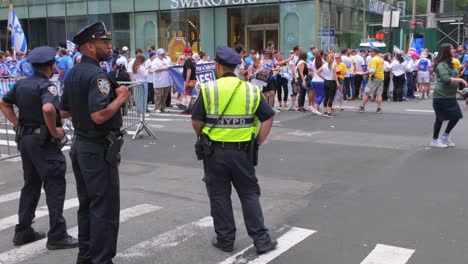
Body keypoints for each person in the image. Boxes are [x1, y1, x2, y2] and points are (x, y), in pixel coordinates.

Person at [191, 45, 277, 255]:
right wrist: (257, 142)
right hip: (243, 153)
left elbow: (196, 120)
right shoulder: (251, 89)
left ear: (217, 66)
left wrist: (203, 136)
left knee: (219, 196)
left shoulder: (209, 89)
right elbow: (268, 116)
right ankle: (262, 240)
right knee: (249, 195)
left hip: (214, 154)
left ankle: (225, 240)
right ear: (237, 67)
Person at [59, 21, 131, 264]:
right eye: (104, 42)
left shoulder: (74, 73)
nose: (109, 46)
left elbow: (64, 111)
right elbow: (99, 115)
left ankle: (86, 256)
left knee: (88, 205)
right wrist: (120, 98)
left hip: (81, 147)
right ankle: (101, 259)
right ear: (90, 46)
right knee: (105, 209)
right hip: (97, 148)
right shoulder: (98, 76)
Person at [0, 46, 78, 249]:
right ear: (51, 66)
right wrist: (54, 131)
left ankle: (23, 230)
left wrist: (17, 123)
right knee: (54, 185)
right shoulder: (47, 86)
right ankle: (57, 235)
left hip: (26, 141)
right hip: (43, 143)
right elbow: (48, 108)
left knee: (31, 185)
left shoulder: (21, 84)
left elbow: (4, 103)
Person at [430, 43, 468, 148]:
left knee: (456, 116)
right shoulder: (441, 65)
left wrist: (458, 91)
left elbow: (451, 77)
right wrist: (461, 80)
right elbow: (445, 79)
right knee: (440, 118)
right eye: (451, 48)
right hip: (441, 96)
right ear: (447, 51)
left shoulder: (450, 63)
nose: (454, 50)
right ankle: (435, 140)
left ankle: (445, 136)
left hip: (450, 96)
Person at [355, 47, 384, 113]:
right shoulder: (381, 59)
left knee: (367, 92)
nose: (370, 53)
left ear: (374, 52)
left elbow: (372, 70)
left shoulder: (374, 59)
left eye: (371, 51)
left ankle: (362, 107)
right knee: (379, 94)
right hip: (381, 78)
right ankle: (379, 108)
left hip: (374, 78)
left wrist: (364, 73)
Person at [152, 48, 172, 112]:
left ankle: (163, 107)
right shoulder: (155, 61)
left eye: (163, 54)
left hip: (166, 81)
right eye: (161, 54)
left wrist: (165, 68)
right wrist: (165, 68)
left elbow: (170, 67)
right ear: (158, 54)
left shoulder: (166, 60)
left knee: (165, 95)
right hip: (158, 81)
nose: (162, 55)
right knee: (158, 95)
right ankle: (157, 107)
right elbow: (155, 69)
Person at [319, 52, 338, 117]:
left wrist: (323, 78)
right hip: (332, 82)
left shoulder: (324, 65)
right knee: (331, 97)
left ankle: (325, 111)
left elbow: (318, 72)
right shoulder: (334, 65)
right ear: (333, 58)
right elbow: (335, 75)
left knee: (326, 97)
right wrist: (337, 82)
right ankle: (329, 111)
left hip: (326, 81)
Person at [182, 47, 197, 114]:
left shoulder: (188, 61)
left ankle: (189, 109)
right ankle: (190, 109)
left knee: (188, 95)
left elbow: (189, 70)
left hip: (190, 80)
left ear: (185, 53)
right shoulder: (193, 60)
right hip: (193, 79)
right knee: (190, 94)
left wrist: (187, 81)